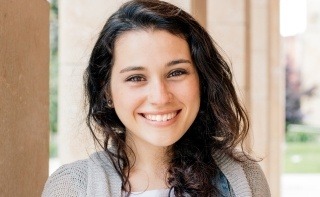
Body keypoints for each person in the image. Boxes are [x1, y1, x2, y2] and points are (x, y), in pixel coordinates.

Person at [42, 0, 270, 196]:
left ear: (202, 79)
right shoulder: (71, 187)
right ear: (107, 92)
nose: (160, 97)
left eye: (176, 72)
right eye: (136, 77)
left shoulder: (244, 179)